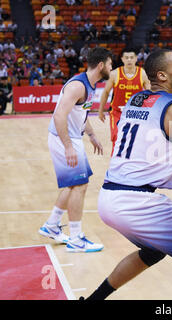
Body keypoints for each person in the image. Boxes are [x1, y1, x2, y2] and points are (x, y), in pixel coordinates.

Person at [83, 49, 172, 300]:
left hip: (109, 198)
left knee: (152, 251)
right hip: (138, 202)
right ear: (162, 76)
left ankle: (93, 300)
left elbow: (156, 83)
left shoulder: (137, 99)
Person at [39, 47, 113, 253]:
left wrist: (91, 135)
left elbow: (80, 114)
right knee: (80, 185)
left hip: (72, 138)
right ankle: (75, 238)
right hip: (64, 139)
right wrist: (69, 147)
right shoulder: (77, 86)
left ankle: (52, 225)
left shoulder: (89, 85)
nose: (111, 68)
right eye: (109, 64)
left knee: (74, 185)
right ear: (100, 66)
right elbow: (59, 116)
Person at [99, 47, 150, 154]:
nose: (129, 60)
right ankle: (115, 165)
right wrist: (100, 110)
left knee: (136, 140)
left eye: (132, 57)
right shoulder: (115, 74)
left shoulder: (142, 73)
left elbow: (151, 94)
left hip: (136, 114)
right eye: (126, 58)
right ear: (122, 59)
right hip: (117, 113)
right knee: (117, 138)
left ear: (136, 58)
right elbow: (106, 92)